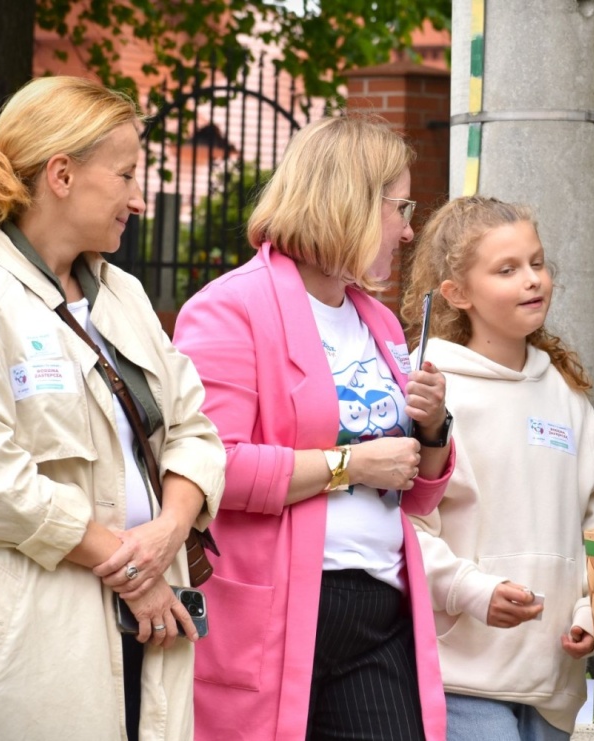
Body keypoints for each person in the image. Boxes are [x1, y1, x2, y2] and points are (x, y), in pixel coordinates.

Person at [0, 76, 225, 740]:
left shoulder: (125, 294)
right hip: (32, 641)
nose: (139, 199)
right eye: (126, 174)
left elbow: (194, 429)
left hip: (147, 622)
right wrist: (133, 568)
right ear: (62, 174)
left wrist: (168, 531)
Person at [172, 114, 455, 741]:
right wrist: (349, 466)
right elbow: (212, 466)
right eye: (402, 208)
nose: (410, 231)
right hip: (278, 611)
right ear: (352, 203)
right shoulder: (229, 307)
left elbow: (416, 493)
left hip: (380, 610)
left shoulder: (378, 319)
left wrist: (433, 429)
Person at [403, 196, 594, 741]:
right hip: (459, 679)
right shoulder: (428, 389)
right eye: (506, 270)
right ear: (457, 294)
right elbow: (404, 523)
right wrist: (471, 590)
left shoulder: (565, 393)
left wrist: (593, 612)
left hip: (553, 679)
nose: (533, 280)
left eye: (537, 262)